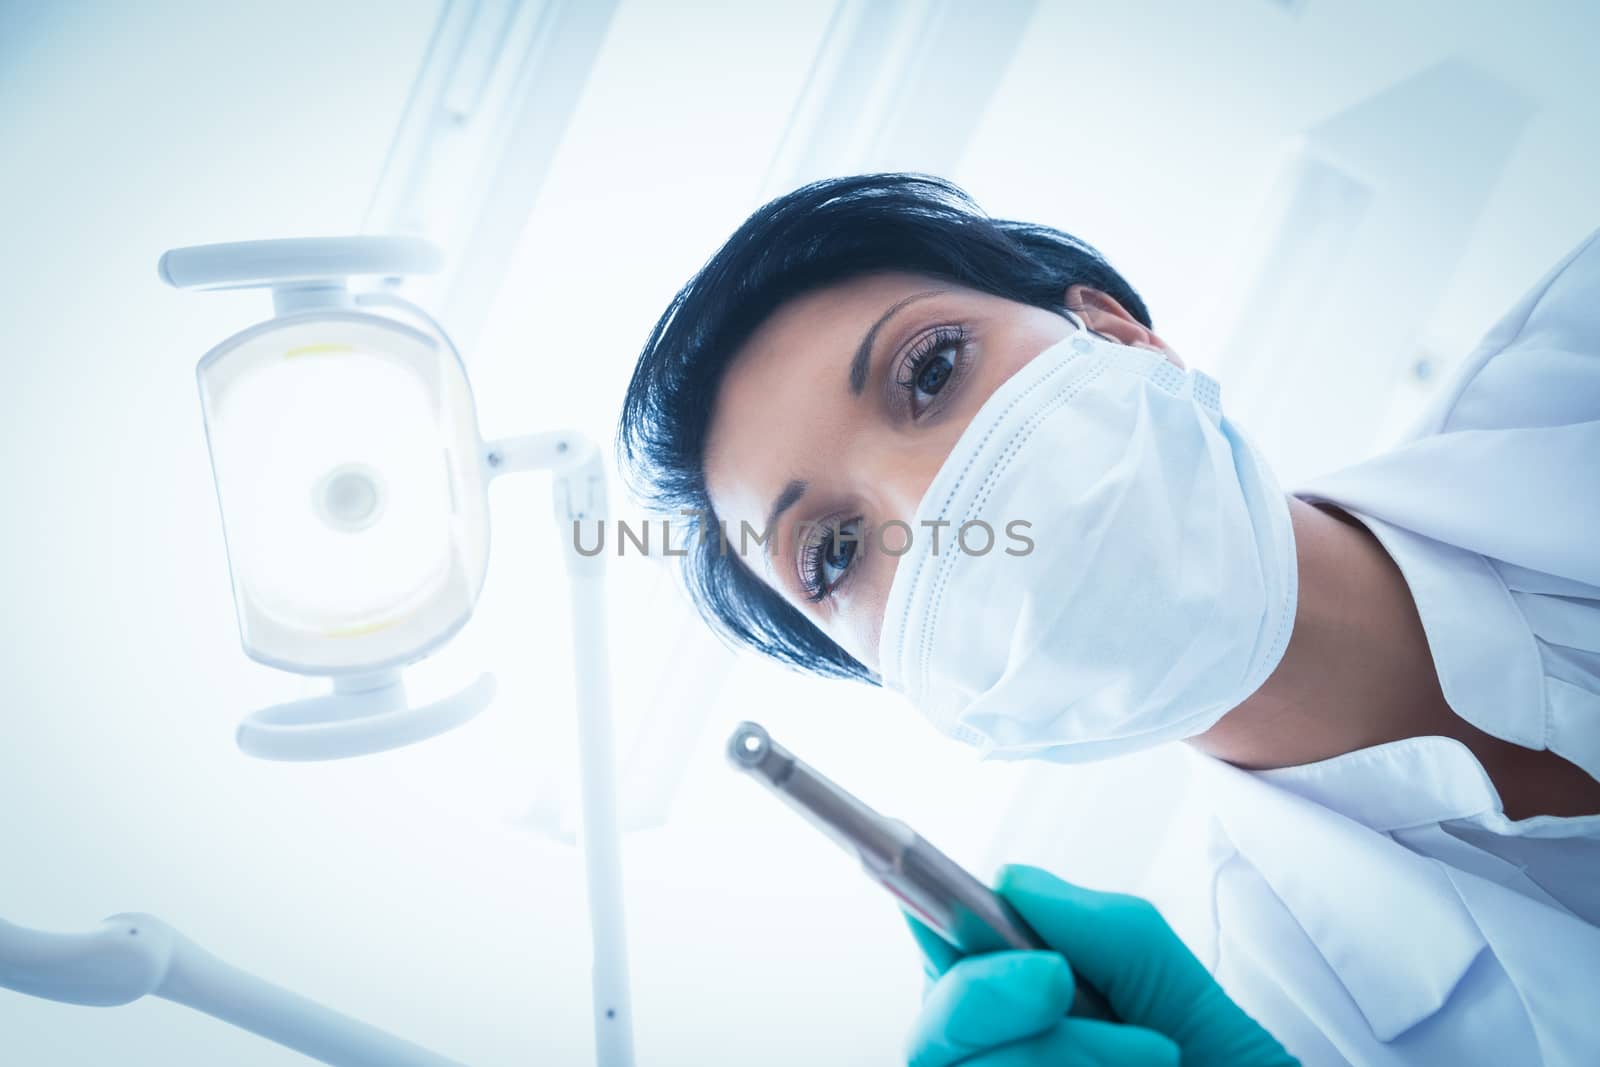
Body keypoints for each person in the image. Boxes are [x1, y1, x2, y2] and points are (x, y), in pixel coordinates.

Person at [617, 174, 1600, 1065]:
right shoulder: (1289, 1028)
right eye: (831, 552)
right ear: (888, 675)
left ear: (1115, 331)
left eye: (932, 370)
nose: (934, 509)